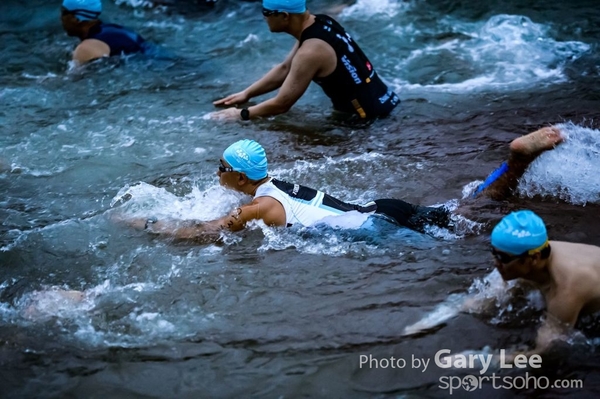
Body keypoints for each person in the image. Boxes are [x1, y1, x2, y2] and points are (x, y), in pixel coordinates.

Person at [126, 126, 564, 242]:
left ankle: (515, 161)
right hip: (378, 208)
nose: (215, 174)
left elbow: (205, 233)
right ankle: (516, 162)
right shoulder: (274, 186)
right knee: (466, 211)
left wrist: (147, 225)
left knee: (467, 242)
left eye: (219, 167)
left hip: (376, 229)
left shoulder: (258, 207)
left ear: (240, 177)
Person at [210, 0, 400, 122]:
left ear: (284, 16)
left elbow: (282, 104)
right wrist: (247, 94)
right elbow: (285, 68)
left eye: (266, 12)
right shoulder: (321, 22)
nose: (263, 17)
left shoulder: (311, 51)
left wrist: (241, 114)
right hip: (384, 103)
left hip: (368, 121)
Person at [489, 210, 600, 354]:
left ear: (533, 259)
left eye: (502, 258)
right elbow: (484, 300)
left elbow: (543, 350)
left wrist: (475, 360)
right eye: (493, 253)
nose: (495, 263)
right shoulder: (529, 250)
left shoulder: (567, 288)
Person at [61, 0, 152, 65]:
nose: (61, 18)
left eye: (63, 12)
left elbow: (74, 80)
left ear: (76, 19)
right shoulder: (114, 29)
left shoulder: (86, 48)